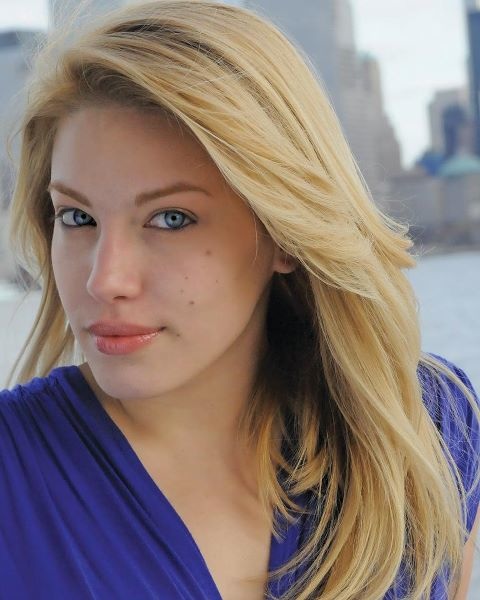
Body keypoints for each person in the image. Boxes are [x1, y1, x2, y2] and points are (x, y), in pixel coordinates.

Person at [1, 1, 479, 599]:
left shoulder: (427, 435)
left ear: (283, 233)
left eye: (171, 218)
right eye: (77, 217)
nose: (105, 279)